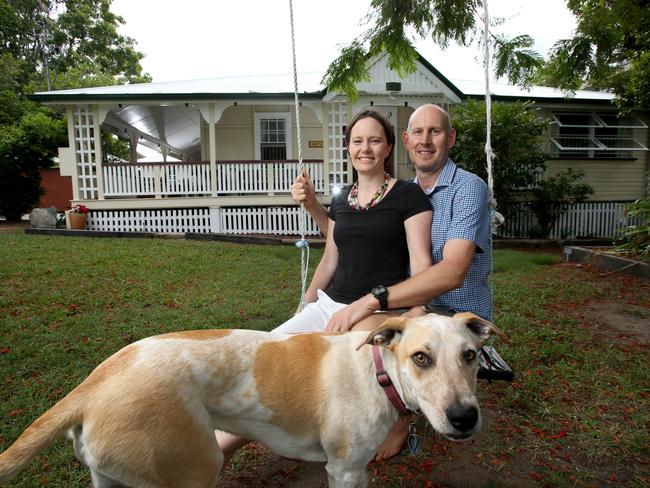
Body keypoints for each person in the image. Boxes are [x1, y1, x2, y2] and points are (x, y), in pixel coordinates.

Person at [215, 109, 433, 463]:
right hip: (329, 304)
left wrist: (415, 314)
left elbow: (422, 264)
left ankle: (395, 423)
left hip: (377, 308)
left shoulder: (408, 196)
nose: (366, 148)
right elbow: (331, 257)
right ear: (348, 148)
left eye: (375, 140)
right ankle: (217, 448)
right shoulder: (342, 198)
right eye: (357, 141)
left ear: (389, 147)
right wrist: (308, 302)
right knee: (265, 360)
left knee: (352, 371)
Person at [292, 103, 492, 459]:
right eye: (418, 132)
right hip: (405, 299)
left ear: (451, 138)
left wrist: (375, 299)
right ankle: (339, 416)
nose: (425, 140)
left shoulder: (467, 188)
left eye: (436, 131)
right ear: (406, 140)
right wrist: (316, 209)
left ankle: (397, 421)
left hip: (453, 308)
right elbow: (355, 240)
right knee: (344, 340)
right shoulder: (406, 191)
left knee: (363, 338)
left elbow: (451, 273)